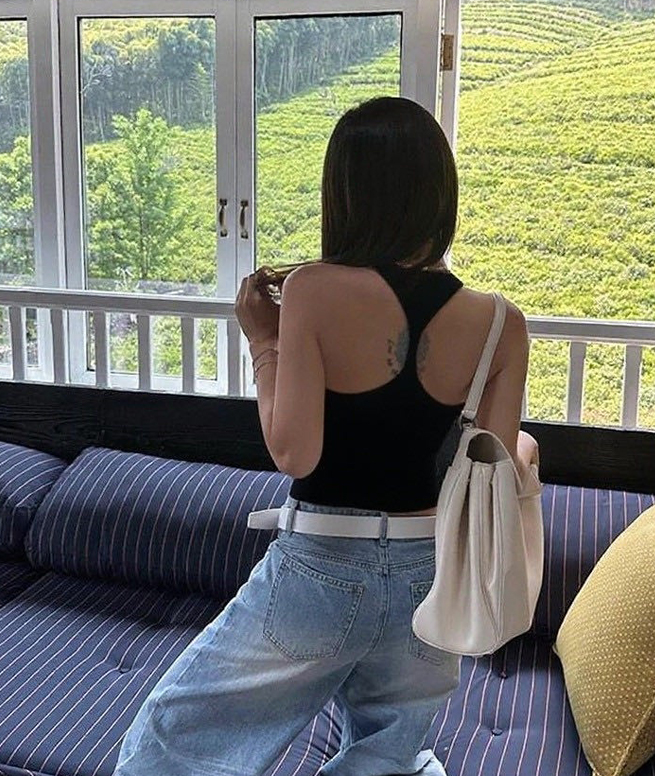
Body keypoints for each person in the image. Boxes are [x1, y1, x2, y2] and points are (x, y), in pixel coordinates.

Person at [112, 96, 537, 776]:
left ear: (345, 194)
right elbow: (494, 468)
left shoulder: (314, 289)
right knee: (388, 754)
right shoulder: (500, 322)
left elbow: (295, 452)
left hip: (324, 564)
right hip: (431, 575)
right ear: (440, 194)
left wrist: (264, 342)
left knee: (170, 741)